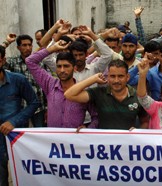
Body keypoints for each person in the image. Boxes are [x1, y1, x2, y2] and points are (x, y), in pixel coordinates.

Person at [25, 40, 98, 128]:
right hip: (52, 140)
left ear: (74, 68)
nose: (62, 70)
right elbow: (30, 61)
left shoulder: (82, 92)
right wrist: (53, 48)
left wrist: (88, 129)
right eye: (59, 66)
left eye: (66, 66)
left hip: (75, 140)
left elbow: (96, 117)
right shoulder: (49, 84)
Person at [64, 59, 149, 130]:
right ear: (108, 77)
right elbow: (69, 95)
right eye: (112, 76)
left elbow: (145, 121)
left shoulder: (137, 96)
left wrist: (138, 132)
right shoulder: (98, 93)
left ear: (127, 77)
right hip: (104, 147)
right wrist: (93, 79)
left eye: (120, 76)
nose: (116, 80)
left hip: (127, 147)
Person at [0, 45, 39, 186]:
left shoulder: (18, 80)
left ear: (2, 61)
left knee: (23, 174)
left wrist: (14, 121)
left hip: (15, 136)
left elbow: (34, 103)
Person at [5, 34, 47, 127]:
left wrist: (48, 108)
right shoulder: (13, 62)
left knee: (39, 135)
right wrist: (6, 43)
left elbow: (45, 86)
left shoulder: (39, 62)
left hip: (39, 107)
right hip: (20, 107)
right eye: (24, 45)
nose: (27, 48)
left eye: (29, 45)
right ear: (18, 47)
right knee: (20, 136)